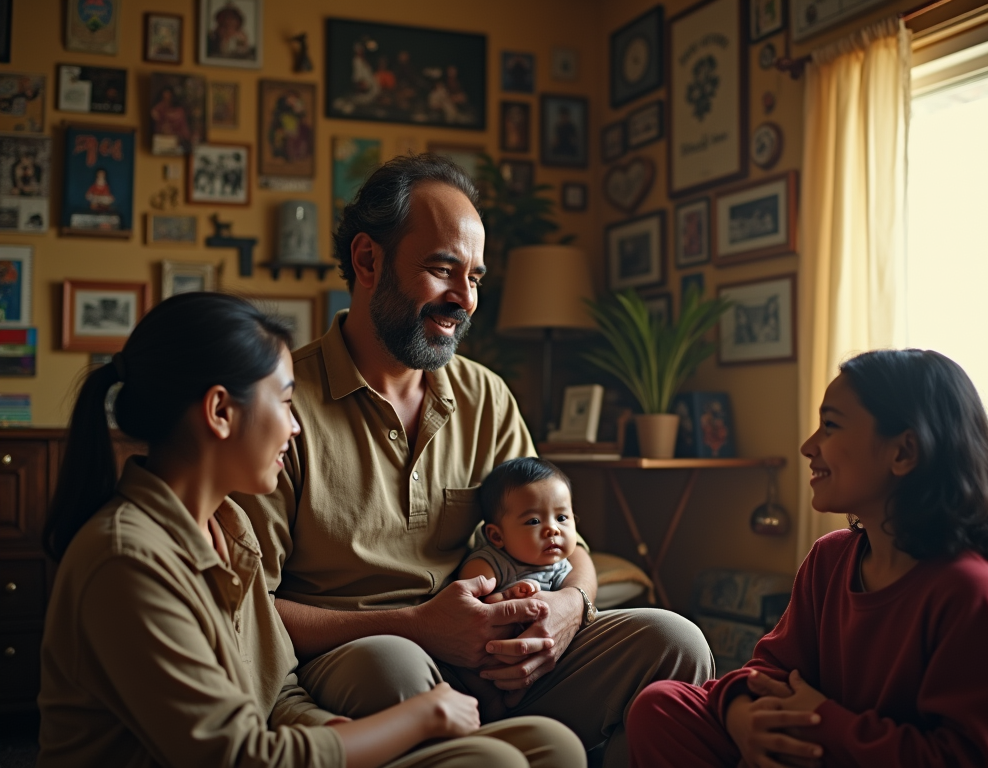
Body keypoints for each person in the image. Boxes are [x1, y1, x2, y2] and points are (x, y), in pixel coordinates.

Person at [234, 153, 714, 768]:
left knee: (674, 641)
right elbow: (249, 608)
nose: (464, 299)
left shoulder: (485, 395)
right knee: (395, 663)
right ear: (367, 260)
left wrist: (567, 612)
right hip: (371, 663)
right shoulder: (281, 403)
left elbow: (573, 550)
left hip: (502, 664)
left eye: (477, 278)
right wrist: (417, 625)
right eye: (442, 269)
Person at [37, 292, 586, 768]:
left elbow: (277, 690)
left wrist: (336, 729)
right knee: (488, 760)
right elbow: (235, 757)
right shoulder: (127, 561)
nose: (296, 426)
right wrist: (422, 717)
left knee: (549, 746)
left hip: (279, 746)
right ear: (221, 412)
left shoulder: (229, 531)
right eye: (283, 402)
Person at [628, 349, 988, 768]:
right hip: (816, 749)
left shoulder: (967, 591)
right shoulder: (830, 557)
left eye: (830, 426)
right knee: (660, 705)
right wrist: (739, 714)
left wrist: (823, 722)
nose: (808, 446)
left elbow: (968, 757)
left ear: (904, 452)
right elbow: (771, 669)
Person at [459, 457, 577, 600]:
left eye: (561, 518)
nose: (553, 529)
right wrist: (506, 596)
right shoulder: (488, 566)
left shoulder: (562, 565)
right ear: (497, 536)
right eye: (534, 521)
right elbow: (472, 609)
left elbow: (574, 604)